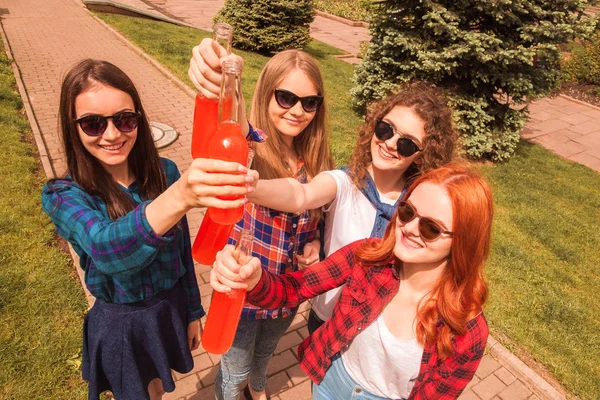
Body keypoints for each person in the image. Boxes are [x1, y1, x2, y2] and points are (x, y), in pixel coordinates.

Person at [41, 59, 253, 400]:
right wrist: (180, 197)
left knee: (157, 387)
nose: (112, 135)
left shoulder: (164, 171)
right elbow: (105, 250)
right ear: (73, 128)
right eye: (93, 124)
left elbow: (181, 252)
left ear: (139, 118)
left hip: (168, 309)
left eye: (125, 120)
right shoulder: (64, 194)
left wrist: (192, 311)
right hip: (121, 324)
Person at [212, 163, 493, 399]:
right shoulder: (369, 256)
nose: (409, 228)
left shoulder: (466, 328)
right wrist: (255, 279)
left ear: (464, 242)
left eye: (431, 228)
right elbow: (296, 287)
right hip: (330, 379)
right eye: (407, 212)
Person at [245, 82, 456, 334]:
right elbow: (301, 194)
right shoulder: (345, 183)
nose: (389, 144)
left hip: (377, 327)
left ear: (421, 155)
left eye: (407, 143)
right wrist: (247, 188)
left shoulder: (414, 207)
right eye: (386, 129)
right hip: (327, 319)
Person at [188, 41, 334, 400]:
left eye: (309, 102)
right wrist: (216, 73)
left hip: (286, 292)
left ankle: (257, 389)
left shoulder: (315, 158)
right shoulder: (247, 144)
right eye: (286, 98)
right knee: (234, 368)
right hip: (242, 294)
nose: (298, 111)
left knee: (265, 356)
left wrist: (315, 243)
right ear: (267, 95)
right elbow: (228, 118)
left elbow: (315, 216)